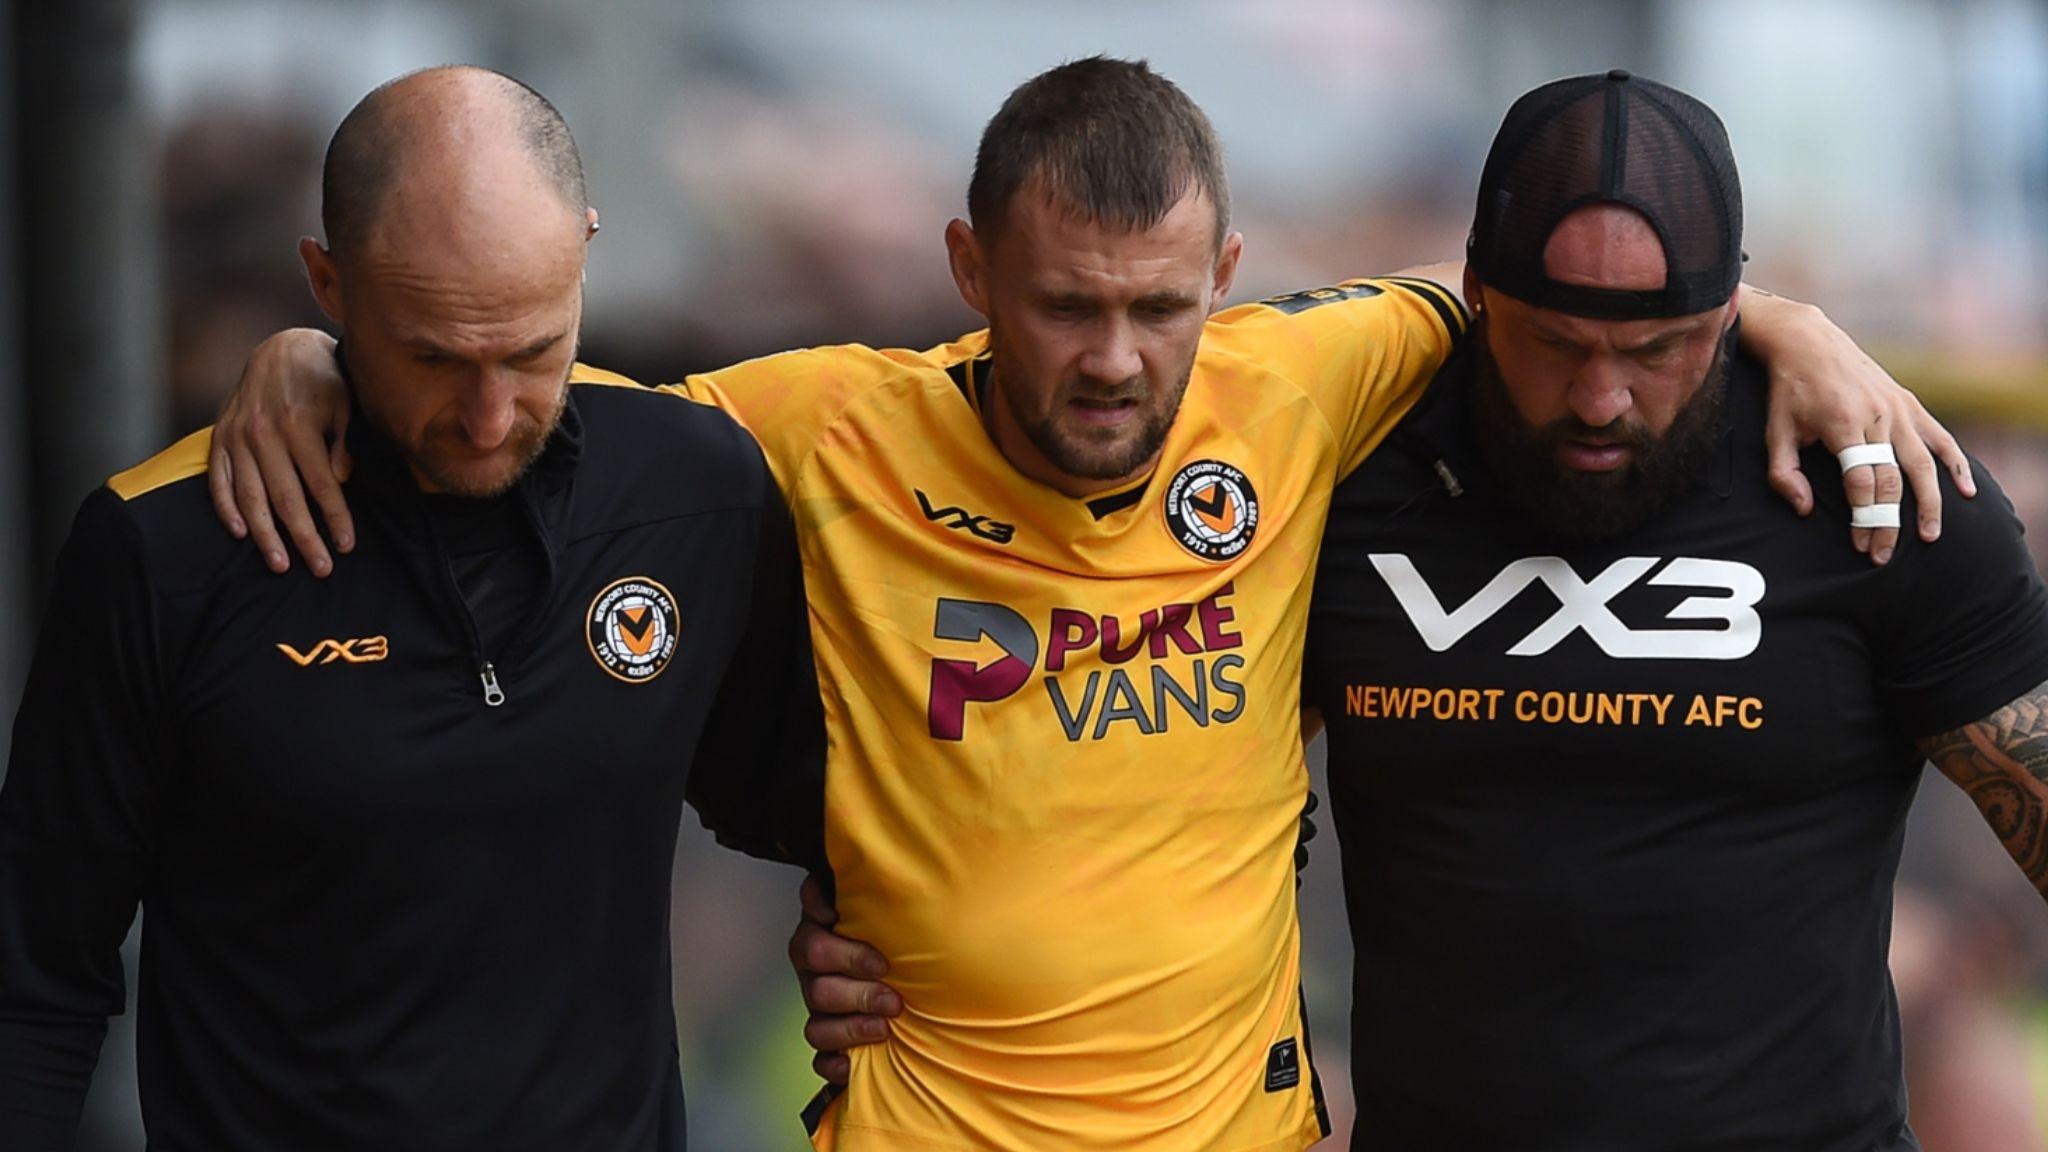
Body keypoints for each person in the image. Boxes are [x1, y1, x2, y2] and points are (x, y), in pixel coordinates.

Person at [202, 59, 1968, 1151]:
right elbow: (506, 410)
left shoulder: (1303, 376)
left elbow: (1545, 297)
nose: (1114, 363)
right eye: (1059, 307)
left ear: (1219, 277)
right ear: (971, 272)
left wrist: (1779, 322)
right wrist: (314, 357)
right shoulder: (810, 426)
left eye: (1154, 308)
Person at [795, 69, 2048, 1150]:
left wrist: (1797, 324)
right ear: (1469, 300)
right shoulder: (1334, 475)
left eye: (1656, 349)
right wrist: (906, 931)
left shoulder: (1871, 491)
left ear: (1725, 313)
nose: (1600, 398)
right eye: (1555, 343)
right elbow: (1113, 752)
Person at [0, 67, 820, 1151]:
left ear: (583, 247)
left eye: (531, 352)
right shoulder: (166, 549)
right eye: (433, 357)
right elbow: (35, 976)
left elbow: (805, 801)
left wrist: (884, 949)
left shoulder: (695, 486)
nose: (487, 418)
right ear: (328, 285)